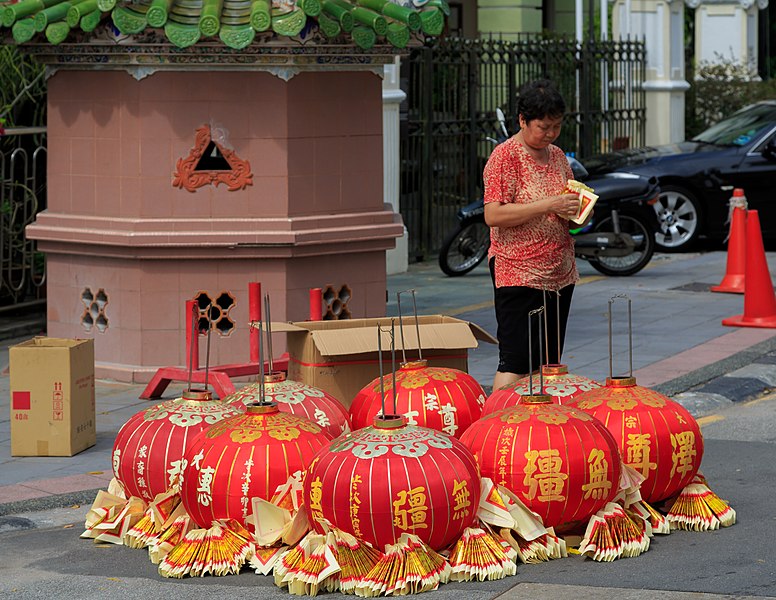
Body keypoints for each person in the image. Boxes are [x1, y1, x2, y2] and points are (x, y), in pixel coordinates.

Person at [483, 79, 586, 391]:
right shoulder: (505, 157)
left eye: (556, 126)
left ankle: (536, 430)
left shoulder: (557, 157)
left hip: (559, 272)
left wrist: (578, 212)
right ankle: (498, 427)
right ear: (522, 121)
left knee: (548, 362)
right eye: (543, 127)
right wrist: (549, 204)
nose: (551, 134)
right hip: (517, 271)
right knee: (515, 361)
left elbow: (571, 220)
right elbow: (493, 215)